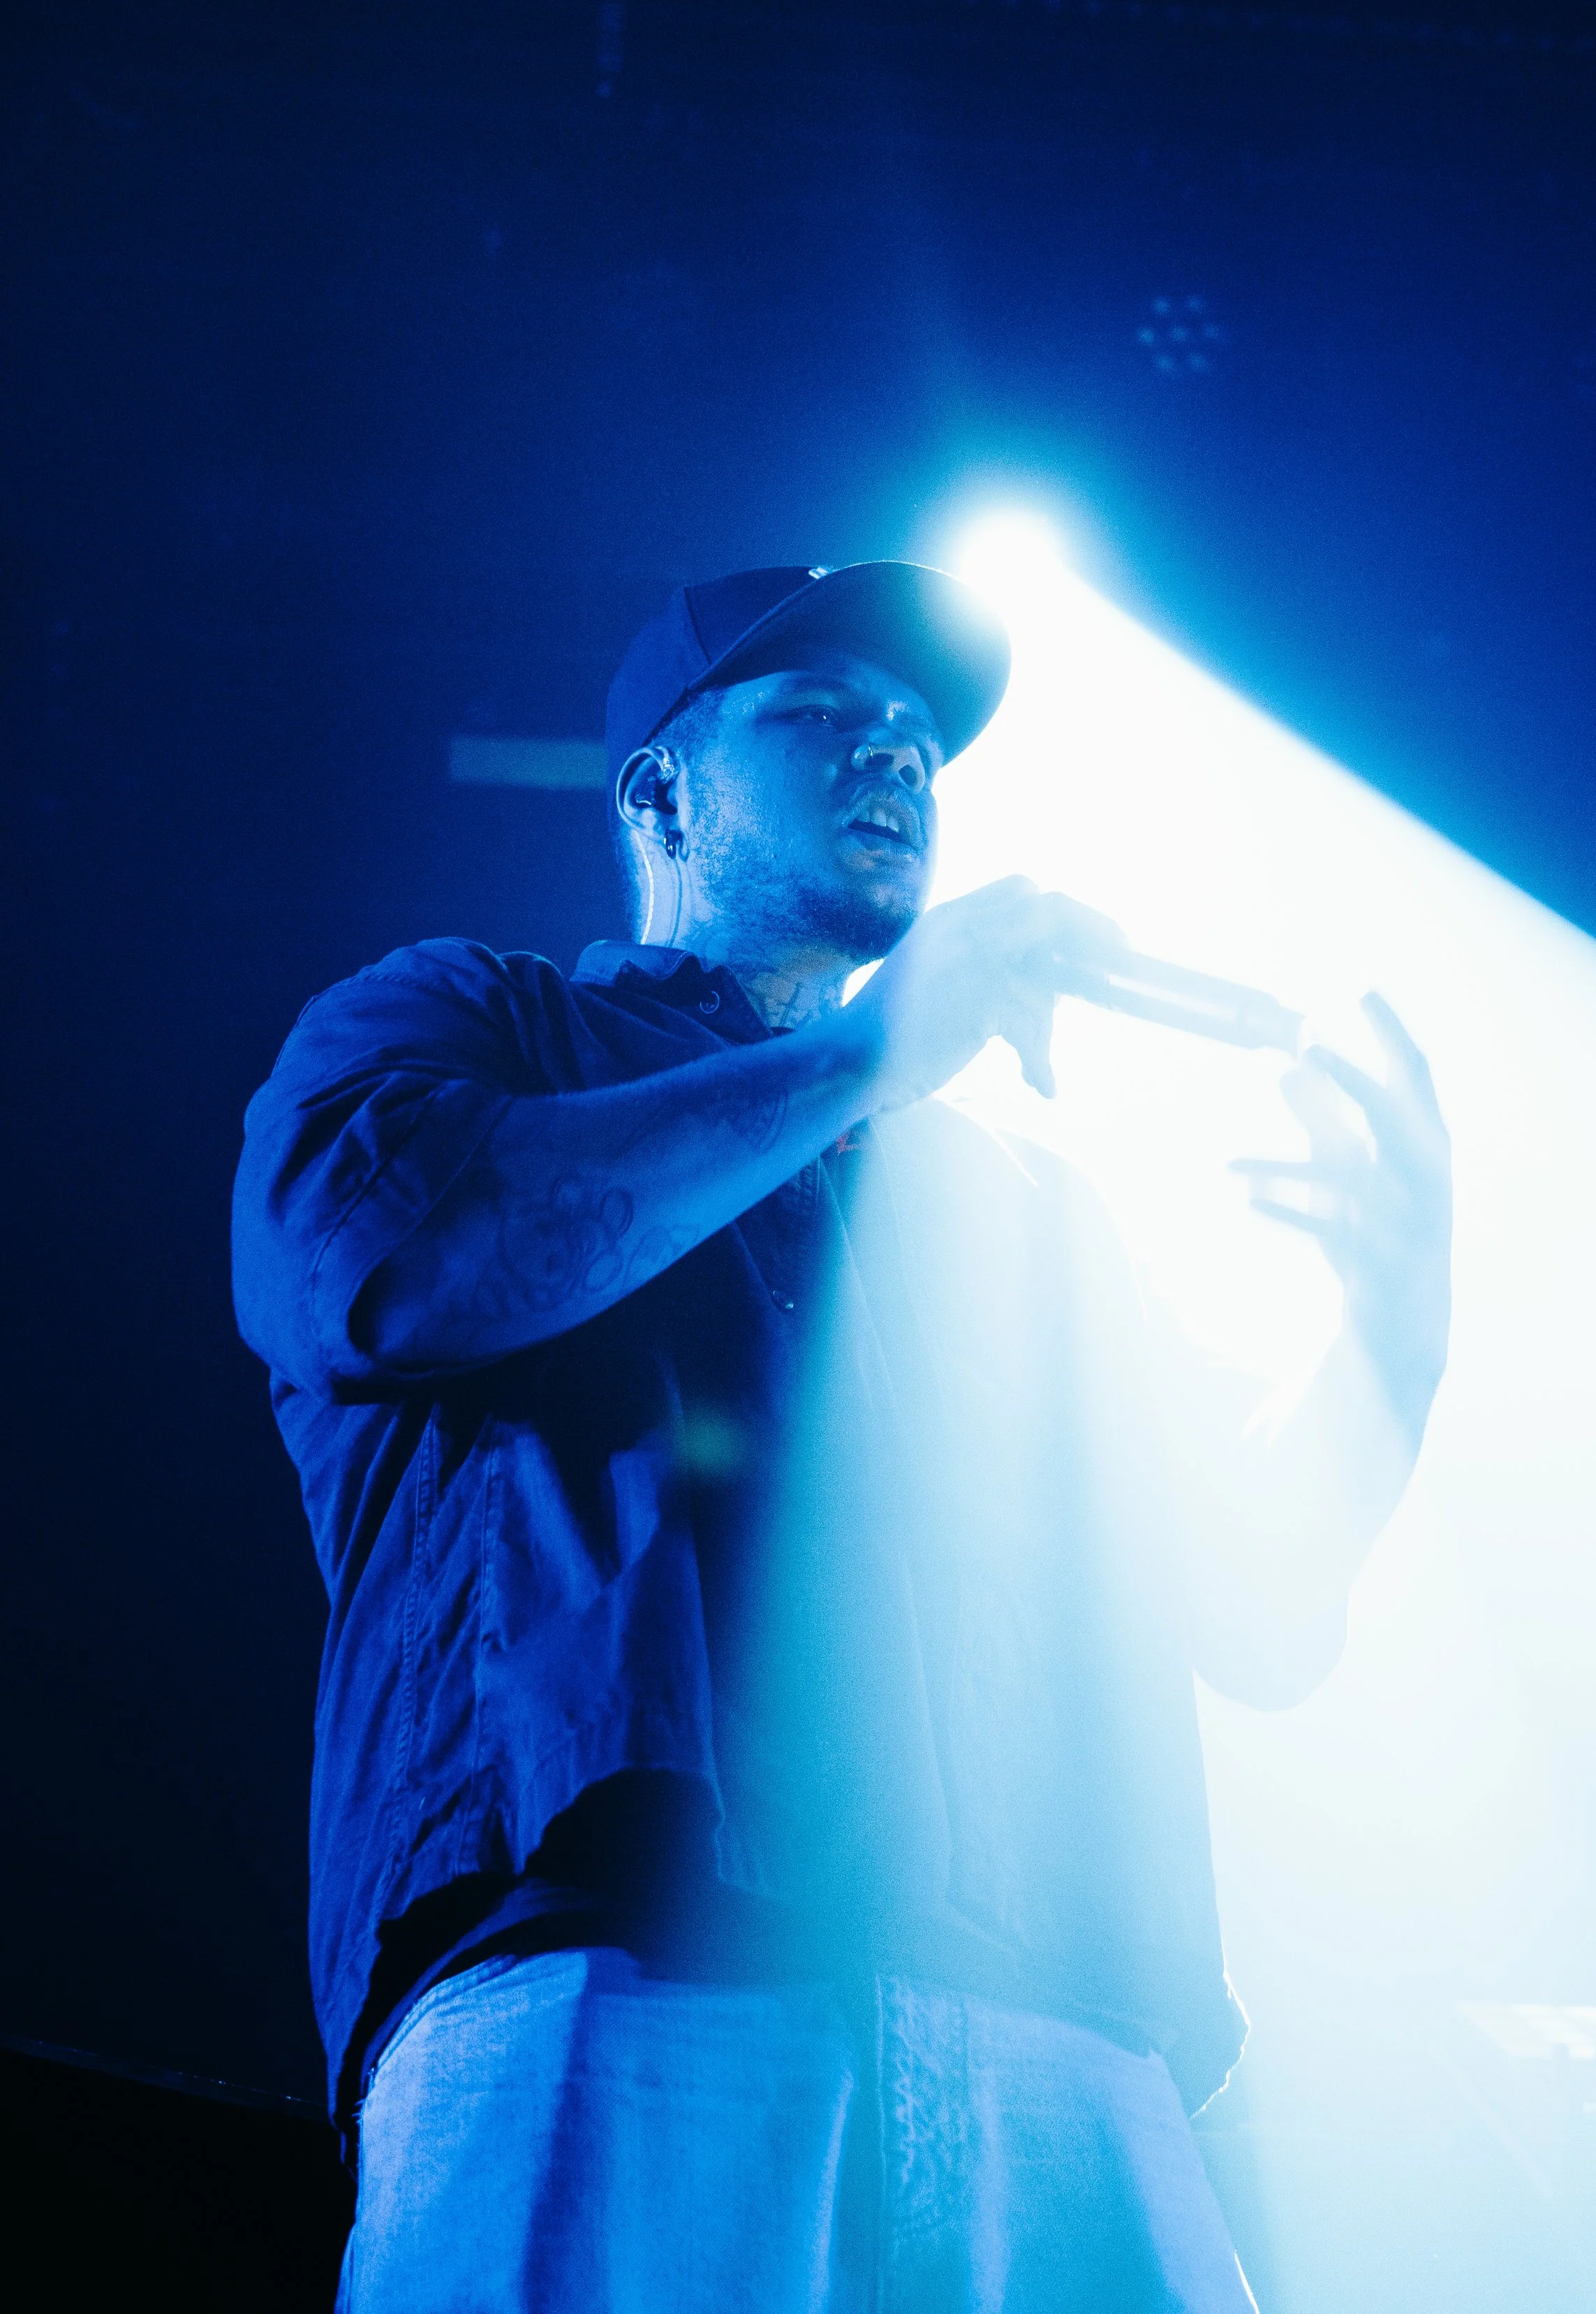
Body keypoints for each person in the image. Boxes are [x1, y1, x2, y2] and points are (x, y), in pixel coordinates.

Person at [232, 558, 1451, 2313]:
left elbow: (1254, 1609)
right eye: (814, 715)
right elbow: (396, 1274)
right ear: (656, 787)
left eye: (913, 741)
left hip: (1065, 2029)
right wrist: (869, 1057)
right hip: (619, 1976)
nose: (890, 758)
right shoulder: (468, 1022)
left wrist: (1388, 1333)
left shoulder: (1020, 1204)